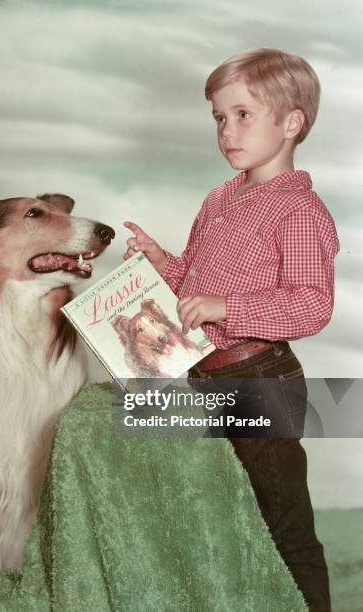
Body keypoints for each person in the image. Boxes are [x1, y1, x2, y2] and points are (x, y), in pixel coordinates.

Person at [123, 48, 339, 611]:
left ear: (292, 124)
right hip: (203, 375)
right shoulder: (220, 198)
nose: (227, 130)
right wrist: (159, 260)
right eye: (219, 117)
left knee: (283, 523)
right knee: (221, 513)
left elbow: (312, 305)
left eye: (244, 114)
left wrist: (228, 309)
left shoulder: (299, 212)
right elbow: (194, 289)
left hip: (261, 378)